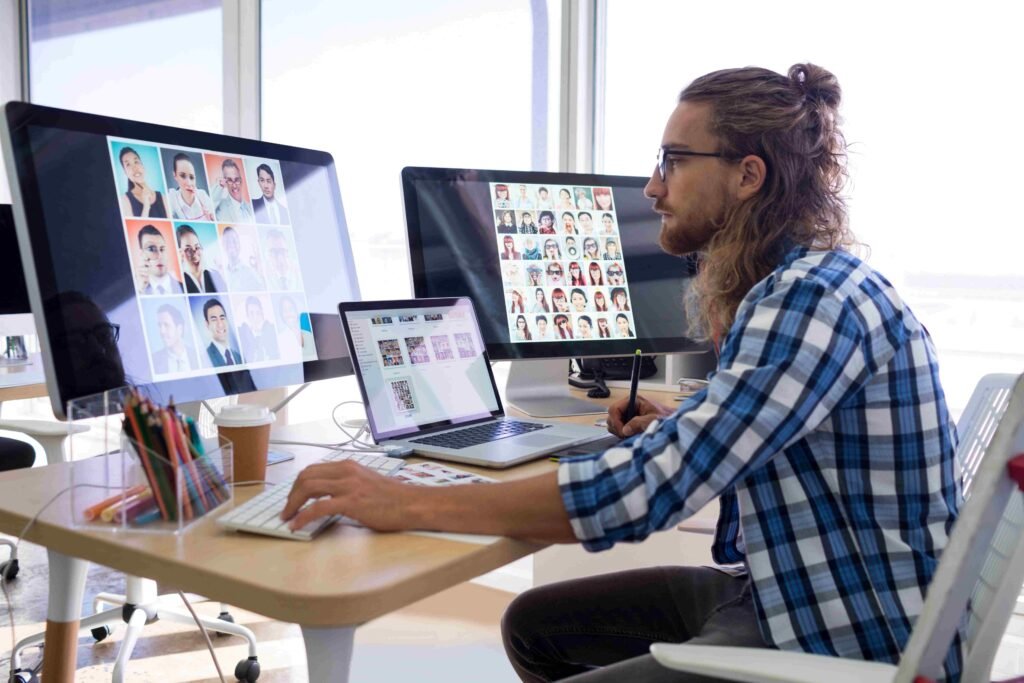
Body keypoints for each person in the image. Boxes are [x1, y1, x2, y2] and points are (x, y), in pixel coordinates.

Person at [279, 63, 964, 683]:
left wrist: (406, 499)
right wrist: (688, 422)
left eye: (673, 161)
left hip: (844, 634)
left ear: (748, 176)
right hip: (785, 587)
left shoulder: (811, 299)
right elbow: (767, 437)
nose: (652, 188)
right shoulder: (800, 286)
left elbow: (650, 487)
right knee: (534, 624)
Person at [118, 147, 169, 219]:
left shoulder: (163, 198)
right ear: (125, 172)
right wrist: (146, 206)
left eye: (136, 162)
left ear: (143, 166)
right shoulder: (124, 200)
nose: (134, 168)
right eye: (128, 164)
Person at [177, 224, 227, 294]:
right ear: (180, 253)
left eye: (197, 247)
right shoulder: (179, 283)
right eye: (188, 249)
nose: (194, 254)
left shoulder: (215, 275)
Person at [135, 225, 183, 295]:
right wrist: (140, 289)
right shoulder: (138, 291)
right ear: (142, 254)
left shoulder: (185, 288)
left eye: (162, 249)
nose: (160, 256)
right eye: (151, 249)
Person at [167, 152, 215, 221]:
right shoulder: (172, 197)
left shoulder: (202, 195)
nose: (189, 183)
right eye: (182, 176)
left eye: (192, 177)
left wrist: (212, 218)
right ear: (175, 175)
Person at [151, 304, 198, 374]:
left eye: (166, 325)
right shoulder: (153, 361)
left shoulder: (198, 357)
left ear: (180, 329)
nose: (162, 331)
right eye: (159, 326)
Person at [221, 226, 266, 291]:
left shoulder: (250, 272)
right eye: (227, 241)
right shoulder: (222, 273)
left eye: (234, 241)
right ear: (223, 244)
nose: (231, 245)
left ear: (239, 243)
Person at [238, 296, 281, 362]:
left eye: (258, 313)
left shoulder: (271, 330)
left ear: (262, 313)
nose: (255, 317)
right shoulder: (243, 334)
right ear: (247, 315)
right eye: (251, 313)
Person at [211, 158, 255, 223]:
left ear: (241, 181)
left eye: (236, 179)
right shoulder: (221, 207)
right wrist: (219, 186)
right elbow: (209, 207)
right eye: (230, 180)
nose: (234, 186)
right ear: (225, 182)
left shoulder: (251, 207)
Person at [202, 298, 243, 367]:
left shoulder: (238, 357)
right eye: (214, 319)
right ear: (207, 324)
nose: (220, 324)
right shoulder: (206, 359)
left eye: (222, 318)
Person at [276, 295, 316, 361]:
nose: (288, 313)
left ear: (296, 310)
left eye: (291, 308)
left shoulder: (309, 333)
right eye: (285, 310)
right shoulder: (281, 339)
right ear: (282, 315)